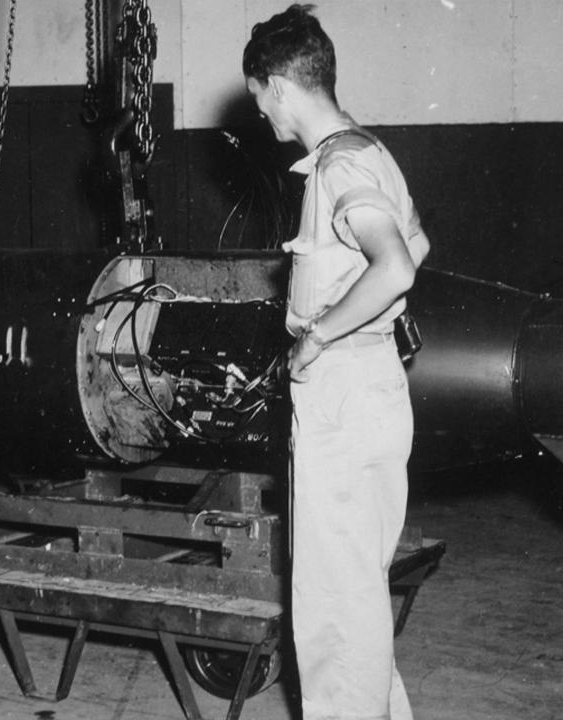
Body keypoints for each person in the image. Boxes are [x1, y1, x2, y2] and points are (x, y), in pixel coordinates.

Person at [242, 5, 431, 719]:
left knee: (330, 608)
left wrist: (318, 333)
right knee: (356, 594)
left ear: (280, 87)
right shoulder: (371, 150)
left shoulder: (339, 165)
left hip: (343, 394)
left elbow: (395, 268)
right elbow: (417, 247)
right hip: (377, 384)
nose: (261, 114)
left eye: (260, 98)